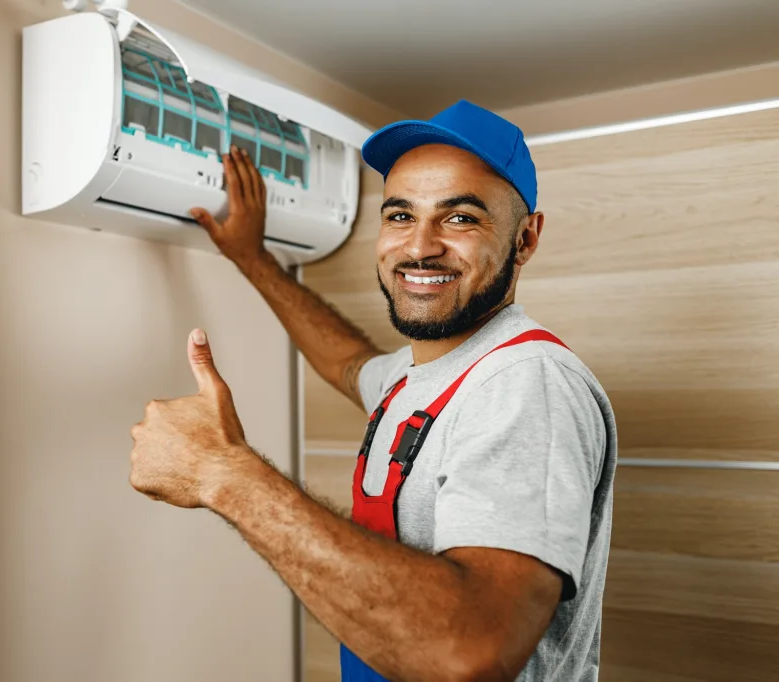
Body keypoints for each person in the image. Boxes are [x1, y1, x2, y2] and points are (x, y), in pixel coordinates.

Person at [128, 99, 618, 682]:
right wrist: (253, 258)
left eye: (461, 218)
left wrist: (224, 473)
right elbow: (348, 360)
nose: (419, 246)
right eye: (400, 215)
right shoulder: (423, 374)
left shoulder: (523, 385)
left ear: (526, 239)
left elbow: (471, 650)